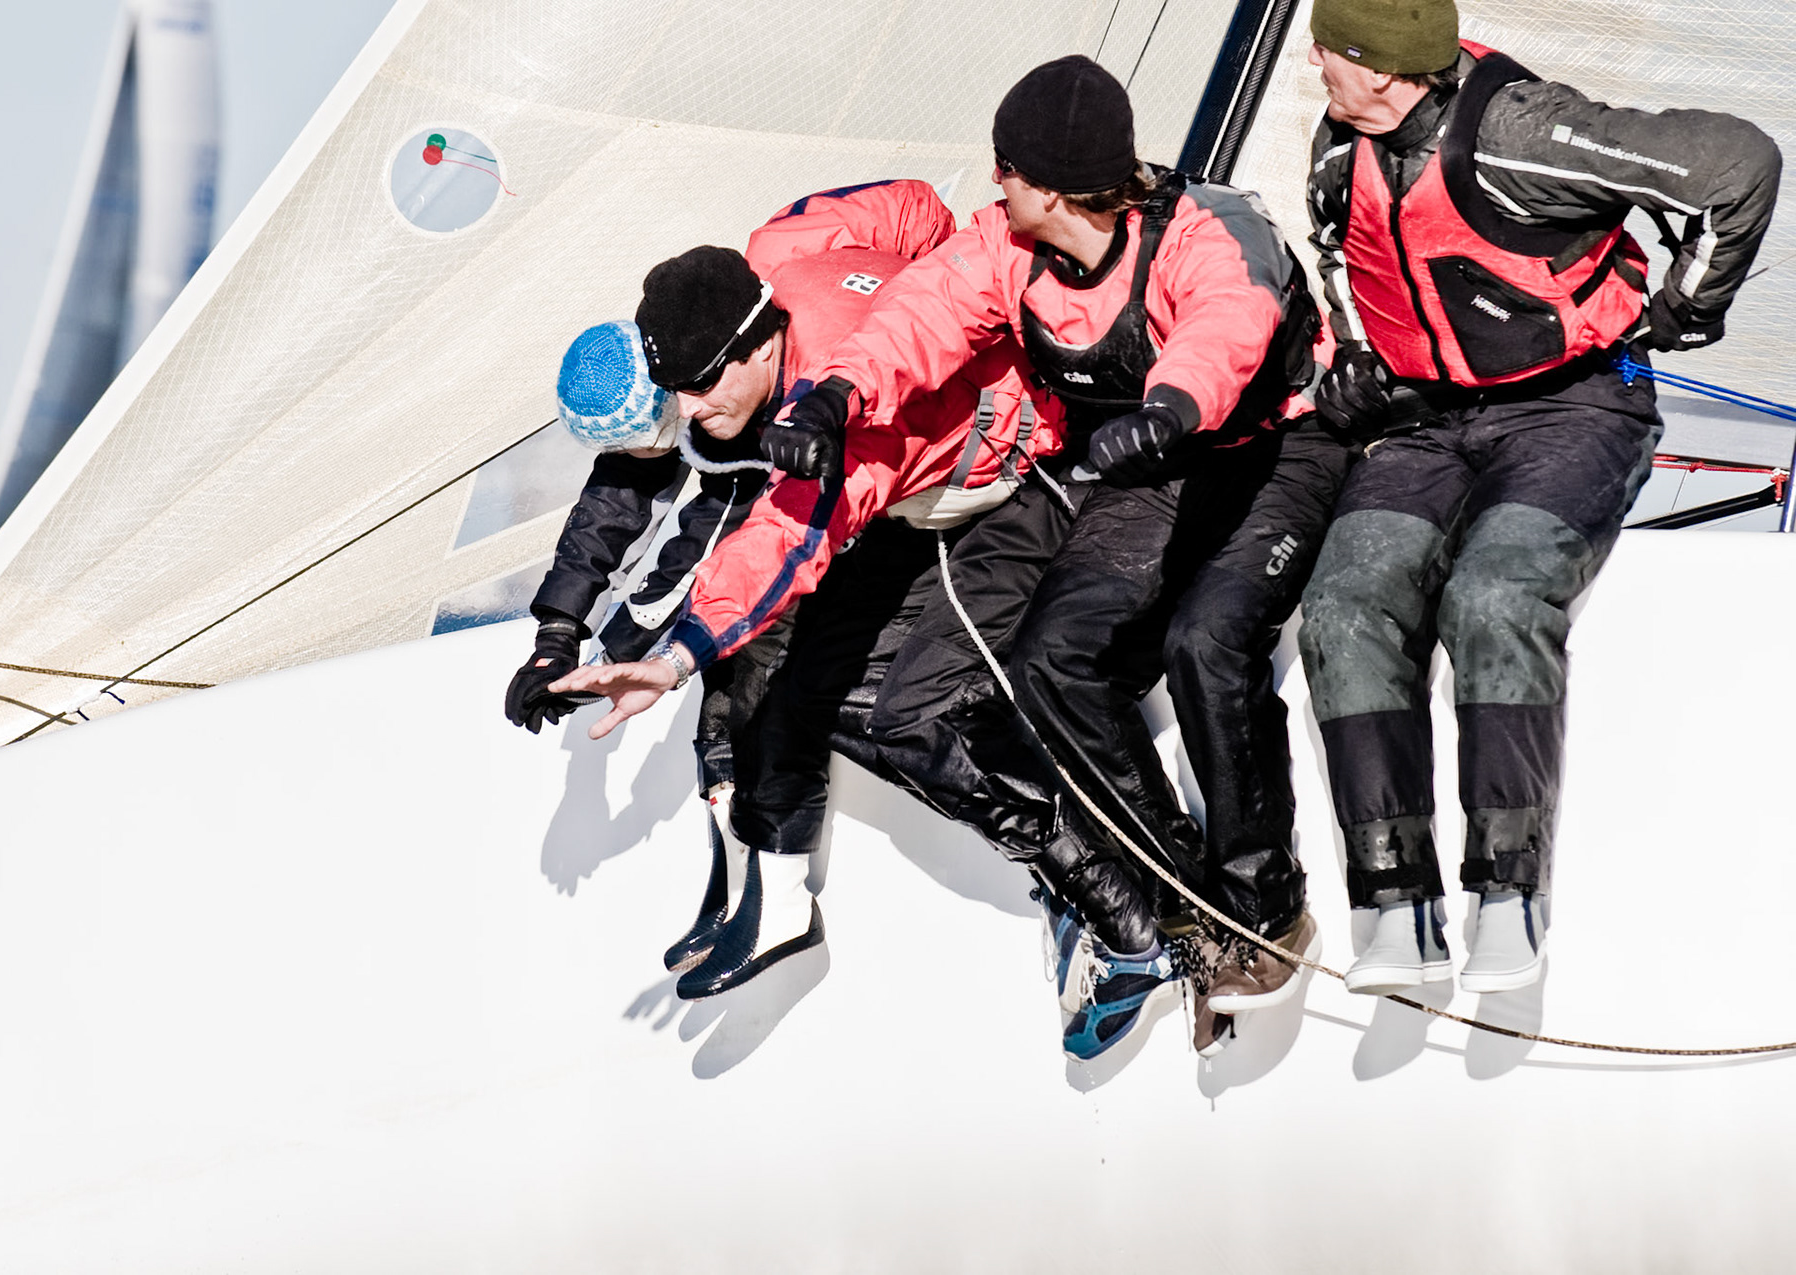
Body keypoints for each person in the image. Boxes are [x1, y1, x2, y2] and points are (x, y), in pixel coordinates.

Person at [615, 56, 1350, 1058]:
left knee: (1206, 641)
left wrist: (1170, 406)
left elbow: (1228, 317)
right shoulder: (1005, 244)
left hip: (1256, 444)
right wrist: (837, 401)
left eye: (1005, 168)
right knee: (1038, 666)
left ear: (1049, 182)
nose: (990, 183)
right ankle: (1165, 902)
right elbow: (915, 319)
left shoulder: (1198, 226)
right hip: (1124, 468)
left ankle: (1259, 906)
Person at [1294, 0, 1780, 995]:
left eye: (1380, 71)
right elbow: (1348, 265)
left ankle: (1507, 888)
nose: (1347, 84)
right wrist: (1355, 361)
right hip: (1427, 417)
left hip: (1573, 406)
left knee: (1497, 595)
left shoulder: (1515, 132)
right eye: (1341, 63)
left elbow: (1739, 162)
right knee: (1343, 606)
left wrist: (1689, 306)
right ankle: (1393, 898)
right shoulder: (1342, 143)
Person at [505, 180, 959, 996]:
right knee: (722, 652)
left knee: (751, 663)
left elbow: (685, 574)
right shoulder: (682, 372)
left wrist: (947, 291)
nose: (658, 442)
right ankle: (737, 864)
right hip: (805, 469)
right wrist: (555, 633)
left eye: (658, 431)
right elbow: (615, 504)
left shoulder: (727, 397)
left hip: (854, 469)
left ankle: (769, 881)